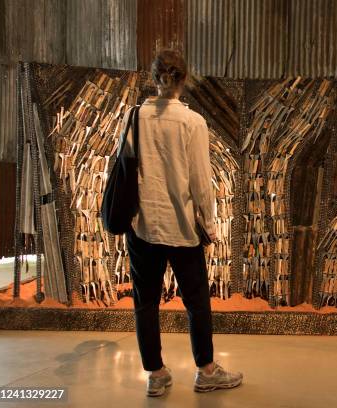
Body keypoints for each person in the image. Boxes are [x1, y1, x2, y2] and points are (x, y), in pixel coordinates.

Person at [118, 49, 243, 397]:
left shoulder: (134, 118)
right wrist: (210, 224)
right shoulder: (193, 123)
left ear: (153, 77)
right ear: (183, 80)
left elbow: (125, 171)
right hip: (183, 227)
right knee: (197, 301)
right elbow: (201, 182)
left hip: (143, 226)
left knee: (145, 302)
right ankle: (206, 370)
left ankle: (156, 375)